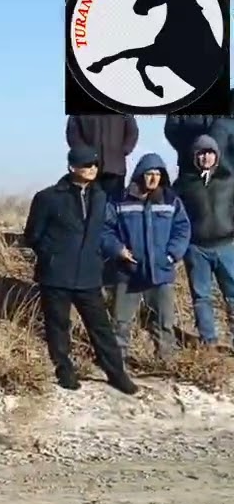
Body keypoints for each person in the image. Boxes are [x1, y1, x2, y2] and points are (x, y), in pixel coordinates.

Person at [24, 146, 138, 394]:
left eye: (95, 164)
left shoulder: (101, 197)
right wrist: (51, 255)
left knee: (101, 328)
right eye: (86, 165)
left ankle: (116, 374)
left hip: (88, 275)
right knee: (58, 326)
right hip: (56, 275)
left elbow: (103, 232)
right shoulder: (48, 197)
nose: (92, 169)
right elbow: (32, 235)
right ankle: (64, 370)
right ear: (72, 167)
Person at [101, 153, 190, 363]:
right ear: (140, 174)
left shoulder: (171, 201)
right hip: (128, 271)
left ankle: (165, 361)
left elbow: (182, 229)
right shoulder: (121, 200)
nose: (153, 178)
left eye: (158, 174)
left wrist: (171, 255)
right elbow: (105, 229)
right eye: (149, 174)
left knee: (164, 321)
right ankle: (117, 361)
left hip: (160, 271)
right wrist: (118, 249)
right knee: (121, 321)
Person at [173, 135, 234, 346]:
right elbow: (176, 217)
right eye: (201, 153)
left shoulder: (228, 180)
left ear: (216, 156)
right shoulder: (183, 184)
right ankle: (209, 342)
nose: (206, 157)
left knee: (232, 295)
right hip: (196, 249)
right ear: (194, 157)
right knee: (202, 297)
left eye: (210, 153)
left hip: (226, 246)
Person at [66, 114, 139, 199]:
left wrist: (122, 151)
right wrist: (84, 157)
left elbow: (132, 132)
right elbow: (73, 135)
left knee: (114, 204)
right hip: (87, 171)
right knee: (88, 204)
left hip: (115, 170)